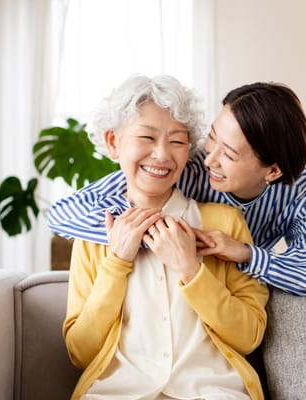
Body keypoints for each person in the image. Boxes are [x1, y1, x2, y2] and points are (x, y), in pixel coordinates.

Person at [63, 74, 268, 399]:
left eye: (176, 140)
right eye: (146, 137)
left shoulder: (224, 224)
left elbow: (249, 336)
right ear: (114, 143)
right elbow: (81, 351)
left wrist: (192, 270)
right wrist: (116, 264)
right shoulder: (92, 232)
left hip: (212, 392)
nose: (161, 155)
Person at [49, 81, 306, 297]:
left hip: (236, 297)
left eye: (228, 155)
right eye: (212, 138)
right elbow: (63, 213)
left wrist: (245, 254)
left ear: (273, 171)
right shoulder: (188, 165)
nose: (210, 159)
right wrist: (156, 235)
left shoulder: (304, 192)